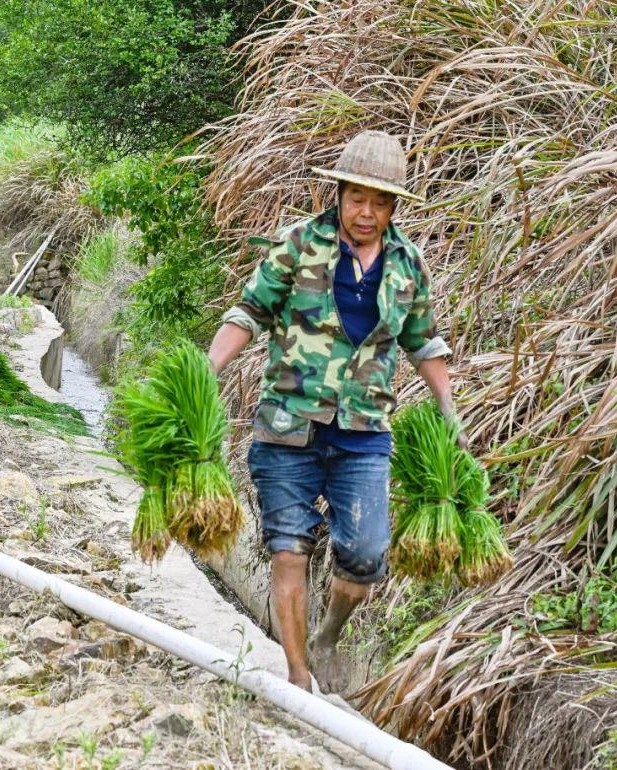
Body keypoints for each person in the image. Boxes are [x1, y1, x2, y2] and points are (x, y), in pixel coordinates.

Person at [207, 130, 465, 692]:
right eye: (357, 199)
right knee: (288, 547)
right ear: (339, 194)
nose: (366, 213)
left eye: (379, 202)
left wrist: (448, 407)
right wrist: (208, 372)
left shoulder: (406, 265)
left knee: (366, 554)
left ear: (393, 206)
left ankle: (329, 632)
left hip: (364, 430)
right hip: (288, 426)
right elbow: (249, 312)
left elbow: (424, 341)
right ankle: (299, 673)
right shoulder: (298, 243)